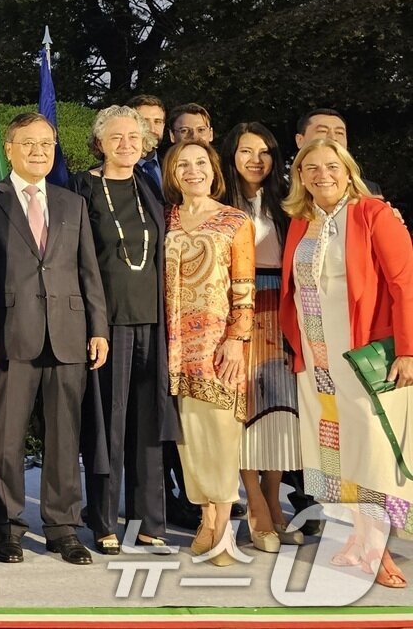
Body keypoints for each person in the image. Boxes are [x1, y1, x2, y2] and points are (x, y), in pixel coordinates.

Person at [279, 139, 412, 589]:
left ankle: (379, 550)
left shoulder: (373, 214)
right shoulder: (301, 222)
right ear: (299, 175)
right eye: (310, 168)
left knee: (371, 451)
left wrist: (410, 350)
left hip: (361, 354)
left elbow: (404, 283)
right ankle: (358, 538)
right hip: (316, 356)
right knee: (333, 454)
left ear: (348, 169)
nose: (322, 175)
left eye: (331, 166)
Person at [0, 112, 108, 566]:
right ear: (10, 148)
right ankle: (9, 526)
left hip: (69, 332)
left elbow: (87, 270)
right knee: (7, 438)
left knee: (63, 437)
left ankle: (62, 527)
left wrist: (98, 327)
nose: (39, 151)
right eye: (29, 144)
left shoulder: (69, 201)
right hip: (11, 332)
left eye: (46, 144)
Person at [72, 106, 174, 555]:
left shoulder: (150, 186)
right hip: (107, 324)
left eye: (134, 137)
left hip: (153, 321)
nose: (126, 144)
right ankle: (103, 519)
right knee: (107, 426)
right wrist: (94, 324)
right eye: (116, 137)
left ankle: (149, 519)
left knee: (149, 424)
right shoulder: (82, 187)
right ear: (100, 142)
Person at [162, 139, 254, 566]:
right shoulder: (165, 219)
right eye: (184, 164)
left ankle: (223, 525)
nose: (193, 170)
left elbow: (244, 289)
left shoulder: (235, 221)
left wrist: (238, 338)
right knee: (190, 435)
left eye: (201, 163)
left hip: (220, 346)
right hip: (175, 347)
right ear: (172, 172)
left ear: (214, 170)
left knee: (221, 433)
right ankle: (205, 517)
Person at [219, 123, 301, 552]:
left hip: (281, 309)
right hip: (236, 310)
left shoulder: (289, 204)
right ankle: (254, 503)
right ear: (230, 155)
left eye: (265, 151)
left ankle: (274, 496)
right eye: (246, 151)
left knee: (279, 410)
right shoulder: (218, 205)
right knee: (244, 407)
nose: (256, 160)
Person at [126, 95, 166, 195]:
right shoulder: (109, 172)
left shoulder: (172, 168)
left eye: (158, 121)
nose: (152, 129)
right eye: (144, 121)